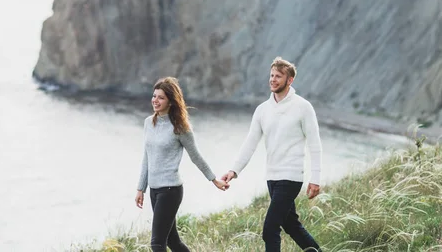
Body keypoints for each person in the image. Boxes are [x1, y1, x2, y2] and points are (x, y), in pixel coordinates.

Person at [222, 57, 322, 252]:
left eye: (278, 76)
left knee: (270, 229)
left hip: (291, 176)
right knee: (291, 225)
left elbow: (315, 144)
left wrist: (315, 178)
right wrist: (234, 171)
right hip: (272, 177)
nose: (273, 80)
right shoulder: (262, 110)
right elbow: (250, 143)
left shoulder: (303, 107)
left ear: (290, 80)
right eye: (272, 75)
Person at [135, 77, 229, 252]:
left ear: (170, 101)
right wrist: (141, 188)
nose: (155, 100)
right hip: (154, 191)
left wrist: (214, 179)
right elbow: (147, 157)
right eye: (154, 96)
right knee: (173, 242)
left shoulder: (180, 127)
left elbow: (196, 157)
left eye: (161, 97)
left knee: (157, 244)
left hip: (170, 190)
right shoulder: (149, 123)